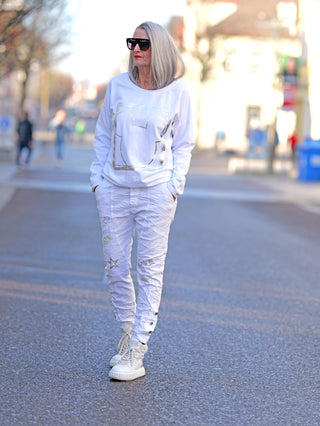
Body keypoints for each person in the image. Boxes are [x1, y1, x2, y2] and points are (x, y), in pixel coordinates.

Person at [90, 21, 194, 381]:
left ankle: (138, 350)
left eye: (144, 44)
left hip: (155, 193)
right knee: (116, 266)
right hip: (114, 189)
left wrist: (173, 185)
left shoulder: (177, 92)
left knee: (149, 270)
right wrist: (97, 180)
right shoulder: (118, 87)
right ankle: (126, 333)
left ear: (159, 49)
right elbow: (103, 134)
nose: (136, 49)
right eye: (133, 42)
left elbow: (183, 144)